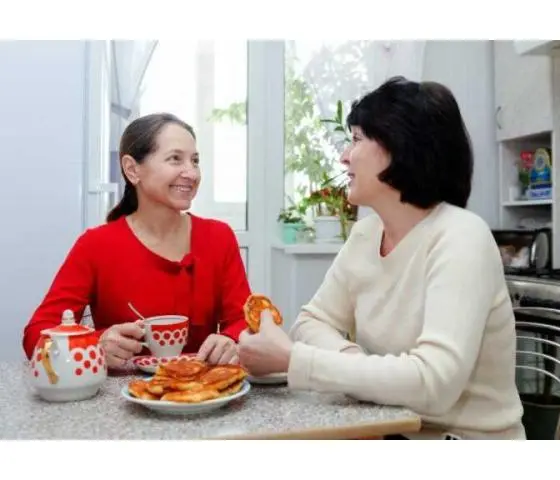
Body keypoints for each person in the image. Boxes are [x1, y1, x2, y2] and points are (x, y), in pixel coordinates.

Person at [238, 77, 526, 440]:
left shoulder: (461, 237)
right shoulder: (366, 234)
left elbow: (434, 384)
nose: (344, 156)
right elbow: (311, 322)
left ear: (400, 146)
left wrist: (296, 361)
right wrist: (355, 365)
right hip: (386, 429)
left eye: (357, 139)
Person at [23, 113, 251, 369]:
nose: (192, 173)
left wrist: (231, 340)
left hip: (201, 388)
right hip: (120, 392)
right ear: (132, 169)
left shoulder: (219, 237)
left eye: (195, 161)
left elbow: (244, 321)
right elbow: (36, 334)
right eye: (175, 159)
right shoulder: (96, 245)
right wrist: (94, 345)